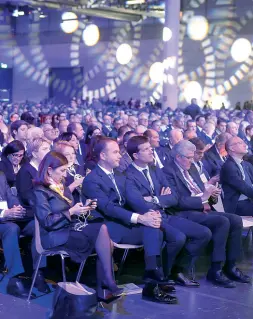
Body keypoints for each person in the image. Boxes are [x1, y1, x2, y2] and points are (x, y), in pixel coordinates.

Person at [34, 151, 123, 300]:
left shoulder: (61, 186)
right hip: (53, 236)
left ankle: (106, 284)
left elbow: (71, 209)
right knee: (102, 236)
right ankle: (106, 285)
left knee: (102, 230)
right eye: (62, 171)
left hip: (69, 228)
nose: (65, 174)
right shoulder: (40, 190)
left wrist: (84, 207)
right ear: (49, 170)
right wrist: (71, 212)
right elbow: (47, 221)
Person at [125, 136, 211, 287]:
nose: (151, 150)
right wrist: (160, 199)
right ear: (136, 155)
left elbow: (174, 198)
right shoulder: (128, 175)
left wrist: (154, 199)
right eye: (146, 149)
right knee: (178, 238)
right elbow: (137, 203)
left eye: (150, 147)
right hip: (149, 218)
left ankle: (177, 269)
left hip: (165, 214)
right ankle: (162, 273)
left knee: (203, 233)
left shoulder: (156, 170)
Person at [163, 140, 250, 287]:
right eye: (189, 157)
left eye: (193, 156)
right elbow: (176, 201)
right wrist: (203, 197)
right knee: (222, 222)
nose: (192, 160)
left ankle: (231, 266)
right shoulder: (167, 171)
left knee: (235, 220)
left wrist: (212, 194)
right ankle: (215, 269)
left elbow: (204, 191)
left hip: (201, 209)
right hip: (183, 212)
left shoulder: (193, 169)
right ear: (178, 157)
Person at [16, 138, 51, 216]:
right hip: (33, 212)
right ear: (35, 154)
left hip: (47, 207)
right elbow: (26, 197)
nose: (49, 152)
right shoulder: (25, 171)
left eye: (49, 148)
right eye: (45, 149)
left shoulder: (47, 168)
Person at [220, 136, 253, 216]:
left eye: (244, 142)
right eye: (240, 143)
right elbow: (243, 187)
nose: (245, 145)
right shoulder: (228, 167)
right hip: (237, 204)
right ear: (232, 148)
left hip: (249, 200)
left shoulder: (247, 164)